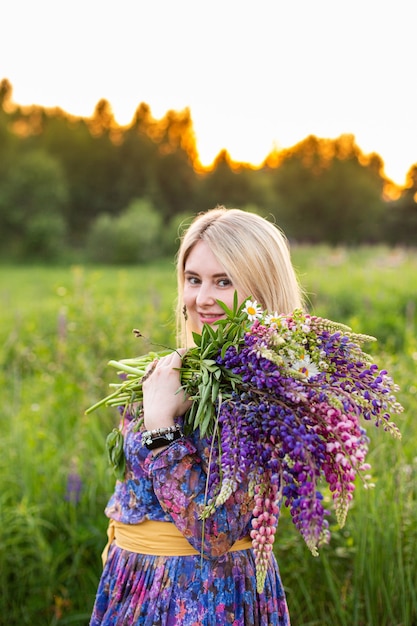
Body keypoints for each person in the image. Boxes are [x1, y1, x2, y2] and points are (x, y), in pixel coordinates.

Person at [90, 206, 304, 625]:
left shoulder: (263, 393)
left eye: (223, 281)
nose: (201, 298)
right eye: (193, 279)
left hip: (202, 598)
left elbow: (215, 532)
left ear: (260, 289)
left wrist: (161, 427)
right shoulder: (179, 370)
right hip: (135, 585)